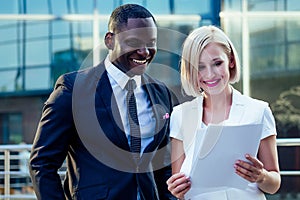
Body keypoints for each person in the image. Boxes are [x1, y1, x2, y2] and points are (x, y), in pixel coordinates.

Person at [29, 4, 176, 200]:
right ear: (110, 40)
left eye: (151, 42)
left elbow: (162, 165)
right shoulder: (72, 90)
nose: (144, 51)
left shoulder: (161, 93)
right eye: (134, 41)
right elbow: (42, 164)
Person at [166, 25, 281, 199]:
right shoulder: (180, 115)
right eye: (200, 67)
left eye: (217, 63)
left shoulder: (258, 110)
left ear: (231, 61)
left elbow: (274, 184)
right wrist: (177, 190)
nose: (210, 74)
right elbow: (180, 187)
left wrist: (262, 176)